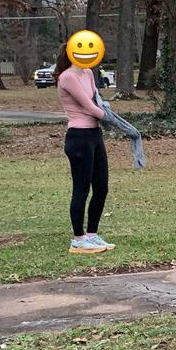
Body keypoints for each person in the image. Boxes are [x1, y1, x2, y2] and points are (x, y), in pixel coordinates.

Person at [55, 46, 113, 255]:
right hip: (78, 137)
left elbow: (97, 99)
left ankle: (91, 235)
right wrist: (113, 119)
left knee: (101, 187)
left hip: (95, 135)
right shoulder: (67, 77)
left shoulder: (88, 73)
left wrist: (106, 113)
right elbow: (90, 107)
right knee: (81, 188)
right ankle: (78, 239)